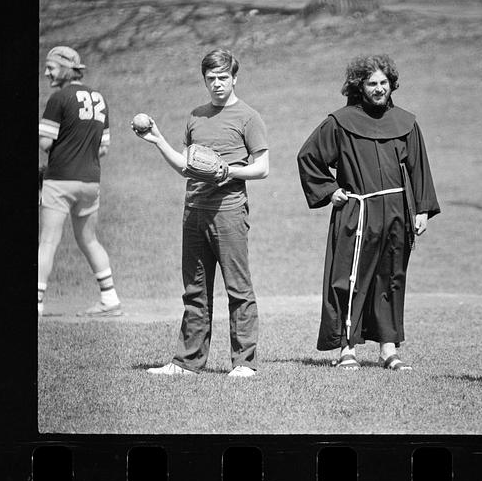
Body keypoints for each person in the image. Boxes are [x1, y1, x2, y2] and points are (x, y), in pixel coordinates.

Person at [297, 54, 440, 371]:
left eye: (384, 83)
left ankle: (388, 349)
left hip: (396, 214)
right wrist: (330, 190)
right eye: (372, 83)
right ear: (359, 86)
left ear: (392, 85)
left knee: (390, 278)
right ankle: (347, 348)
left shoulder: (405, 123)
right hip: (357, 212)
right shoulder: (340, 122)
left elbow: (419, 170)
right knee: (349, 278)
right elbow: (308, 157)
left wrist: (423, 210)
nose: (379, 89)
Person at [135, 48, 269, 377]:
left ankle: (244, 364)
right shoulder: (195, 116)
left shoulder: (248, 117)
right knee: (195, 290)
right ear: (204, 80)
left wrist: (229, 171)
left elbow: (262, 168)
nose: (218, 84)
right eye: (211, 79)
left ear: (234, 78)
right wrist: (158, 140)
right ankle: (186, 363)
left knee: (238, 289)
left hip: (228, 212)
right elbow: (186, 168)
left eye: (224, 77)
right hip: (194, 211)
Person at [38, 46, 122, 318]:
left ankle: (36, 302)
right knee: (89, 240)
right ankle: (109, 298)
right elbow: (103, 148)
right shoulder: (100, 99)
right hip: (90, 181)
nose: (47, 71)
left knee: (48, 241)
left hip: (60, 179)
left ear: (64, 68)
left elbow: (44, 142)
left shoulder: (59, 98)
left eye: (51, 66)